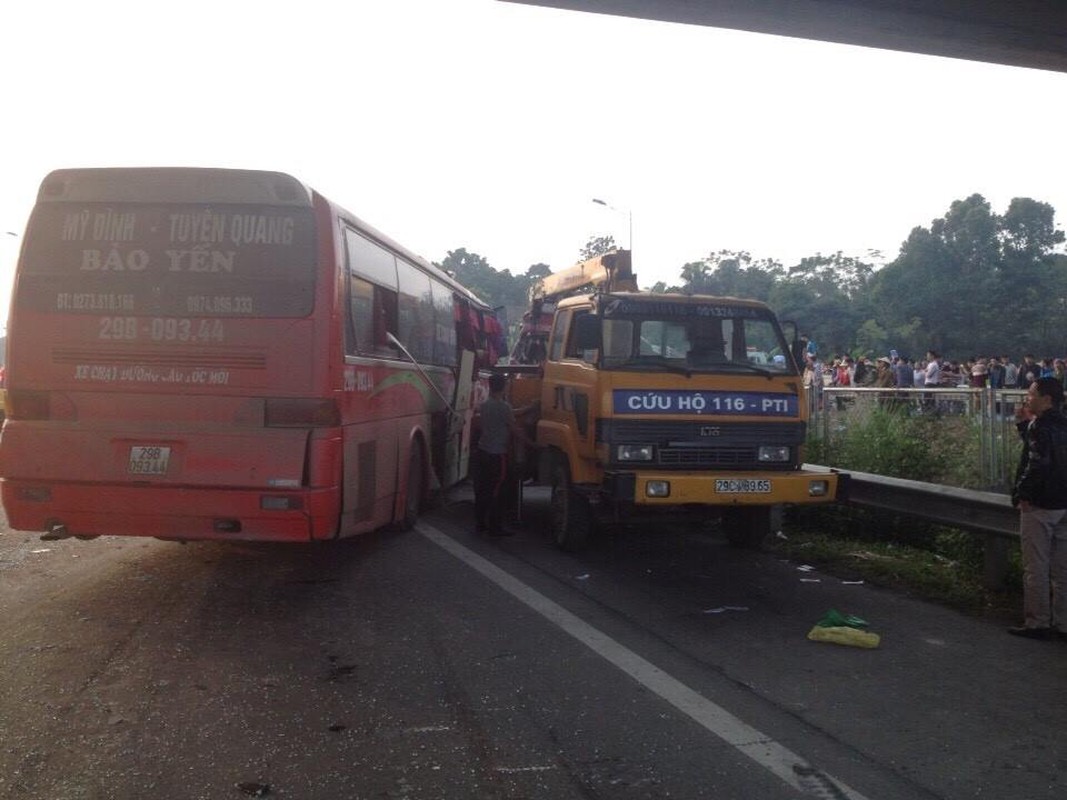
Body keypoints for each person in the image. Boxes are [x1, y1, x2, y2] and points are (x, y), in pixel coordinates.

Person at [1009, 377, 1067, 639]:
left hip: (1040, 504)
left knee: (1036, 566)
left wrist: (1023, 493)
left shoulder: (1039, 426)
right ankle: (1063, 623)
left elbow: (1037, 462)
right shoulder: (1061, 423)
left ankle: (1038, 622)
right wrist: (1024, 425)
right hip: (1063, 504)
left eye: (1031, 394)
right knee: (1063, 569)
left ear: (1046, 399)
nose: (1027, 398)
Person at [473, 373, 535, 537]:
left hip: (482, 451)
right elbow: (515, 429)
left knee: (483, 489)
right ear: (504, 386)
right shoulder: (504, 407)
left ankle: (480, 523)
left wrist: (527, 408)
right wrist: (532, 444)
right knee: (498, 491)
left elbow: (508, 413)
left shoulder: (484, 405)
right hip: (497, 455)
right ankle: (495, 527)